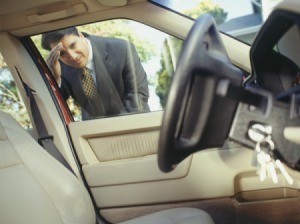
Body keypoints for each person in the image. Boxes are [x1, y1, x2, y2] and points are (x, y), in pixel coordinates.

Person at [41, 27, 150, 120]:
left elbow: (138, 95)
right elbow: (53, 108)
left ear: (80, 36)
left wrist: (113, 130)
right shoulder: (60, 67)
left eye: (73, 45)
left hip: (135, 124)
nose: (73, 56)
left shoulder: (122, 48)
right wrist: (55, 78)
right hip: (93, 135)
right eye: (62, 53)